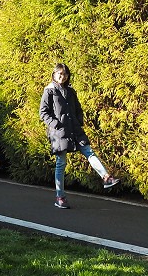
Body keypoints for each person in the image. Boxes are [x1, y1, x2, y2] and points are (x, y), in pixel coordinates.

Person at [39, 63, 119, 208]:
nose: (62, 77)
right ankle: (60, 197)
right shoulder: (49, 91)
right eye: (59, 74)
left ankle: (106, 177)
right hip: (59, 133)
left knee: (89, 151)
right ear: (54, 74)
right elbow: (43, 113)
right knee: (61, 164)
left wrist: (78, 121)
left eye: (65, 74)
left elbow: (78, 109)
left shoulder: (70, 91)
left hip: (75, 130)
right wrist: (56, 125)